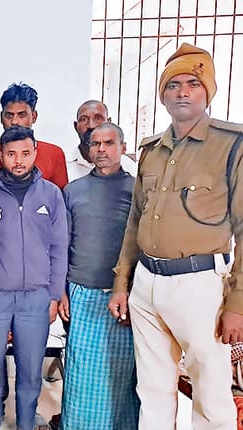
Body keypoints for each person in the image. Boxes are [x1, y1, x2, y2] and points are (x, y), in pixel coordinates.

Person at [110, 43, 243, 429]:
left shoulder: (231, 146)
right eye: (173, 85)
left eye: (192, 84)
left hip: (200, 286)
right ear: (163, 95)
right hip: (146, 284)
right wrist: (122, 283)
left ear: (208, 92)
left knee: (211, 394)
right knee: (152, 390)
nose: (182, 92)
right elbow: (135, 222)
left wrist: (237, 304)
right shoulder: (152, 150)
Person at [0, 126, 67, 430]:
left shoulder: (51, 195)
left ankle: (26, 423)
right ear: (1, 156)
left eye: (25, 154)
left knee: (29, 370)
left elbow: (59, 247)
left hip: (36, 298)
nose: (18, 160)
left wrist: (53, 295)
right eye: (11, 154)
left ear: (35, 154)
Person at [57, 123, 139, 429]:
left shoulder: (138, 190)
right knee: (81, 374)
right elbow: (62, 245)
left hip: (124, 296)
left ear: (123, 147)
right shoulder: (73, 190)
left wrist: (132, 289)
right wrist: (61, 291)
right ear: (88, 149)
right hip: (81, 293)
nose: (101, 149)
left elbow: (142, 244)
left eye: (109, 143)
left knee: (121, 375)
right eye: (95, 144)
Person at [0, 83, 68, 189]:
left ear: (34, 117)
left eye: (22, 115)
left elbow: (60, 197)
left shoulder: (54, 154)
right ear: (1, 117)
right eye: (9, 115)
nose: (15, 121)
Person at [66, 100, 137, 180]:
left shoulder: (128, 165)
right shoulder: (65, 166)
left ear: (108, 123)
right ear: (76, 126)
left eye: (98, 118)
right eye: (84, 119)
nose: (91, 125)